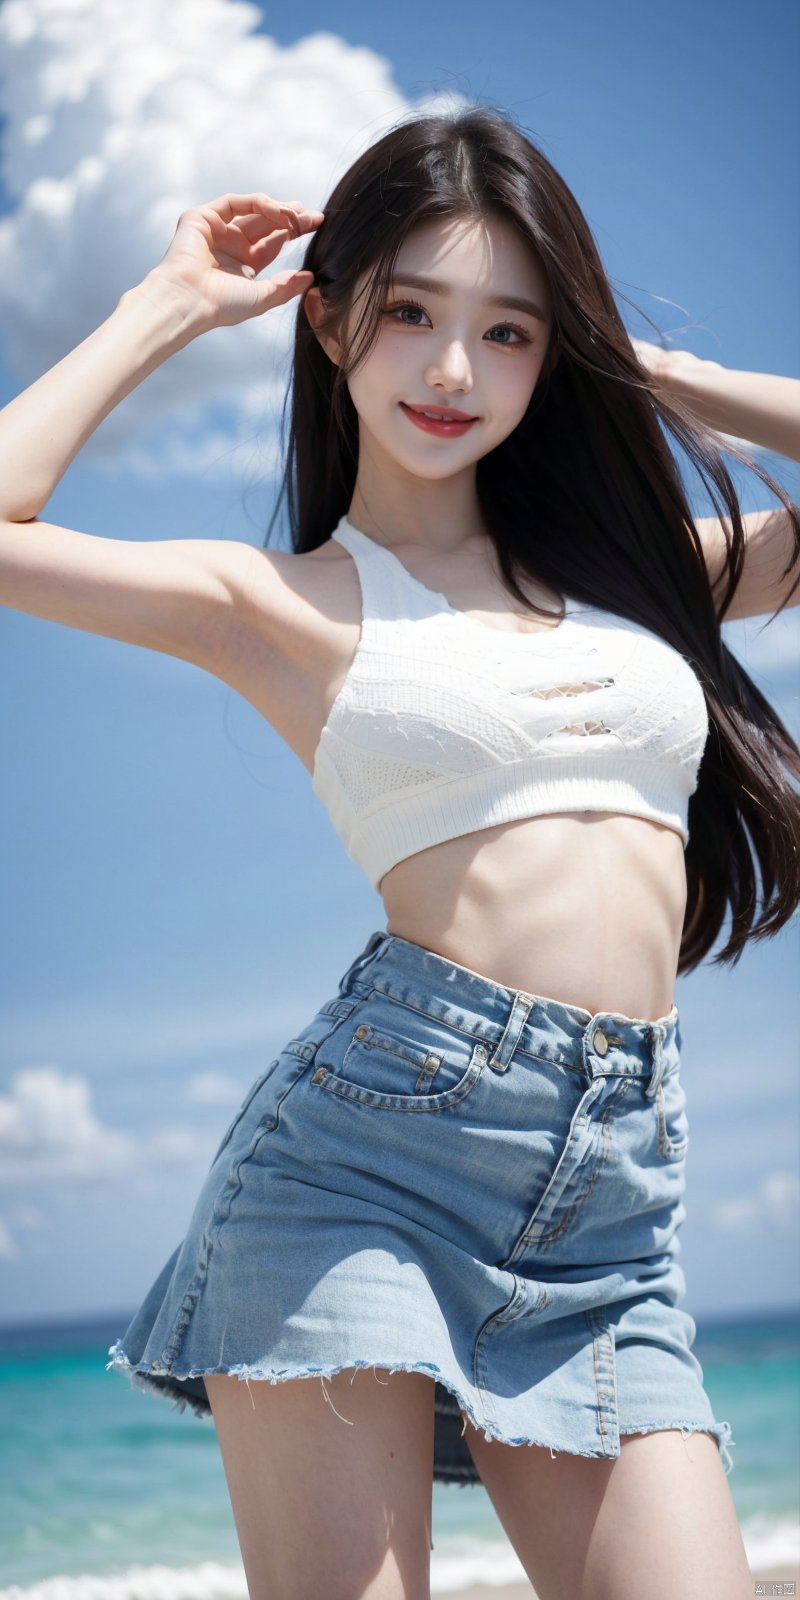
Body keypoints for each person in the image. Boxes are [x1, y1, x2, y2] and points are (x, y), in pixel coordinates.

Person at [2, 103, 798, 1600]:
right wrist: (163, 307)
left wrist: (654, 373)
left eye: (508, 331)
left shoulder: (641, 584)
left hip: (616, 1200)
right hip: (365, 1166)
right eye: (413, 313)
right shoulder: (274, 600)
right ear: (330, 322)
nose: (451, 371)